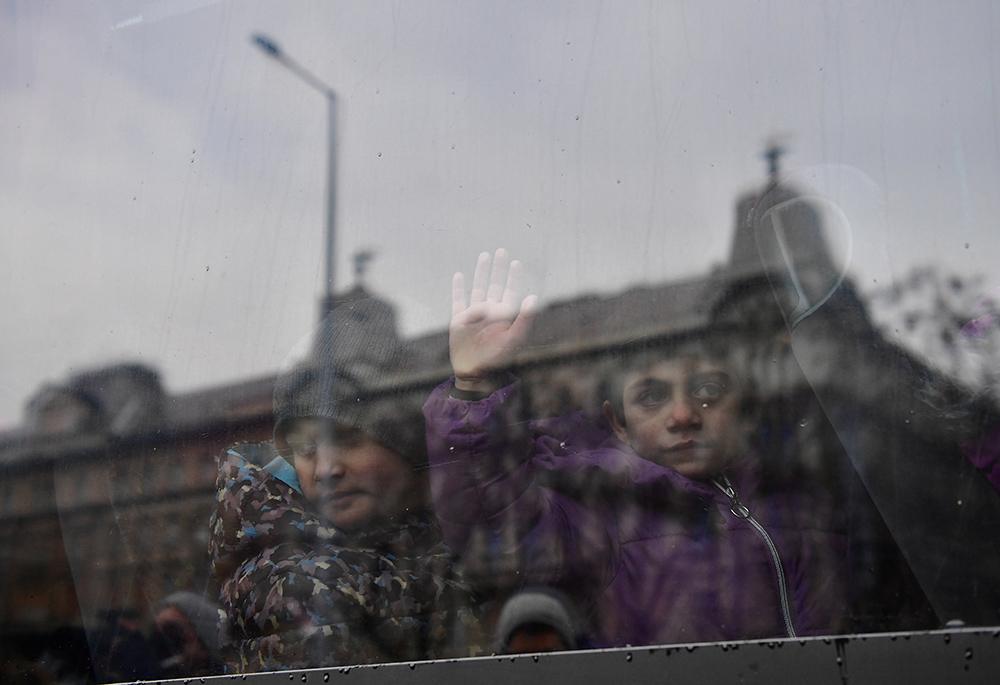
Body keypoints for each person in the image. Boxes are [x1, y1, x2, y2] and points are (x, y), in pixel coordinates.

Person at [423, 249, 849, 648]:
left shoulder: (800, 510)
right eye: (650, 397)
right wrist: (475, 386)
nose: (683, 414)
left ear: (744, 408)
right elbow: (486, 520)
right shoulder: (597, 521)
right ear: (618, 426)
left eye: (708, 391)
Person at [209, 299, 483, 671]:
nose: (325, 469)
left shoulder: (433, 551)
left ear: (407, 450)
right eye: (304, 450)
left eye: (348, 439)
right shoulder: (292, 584)